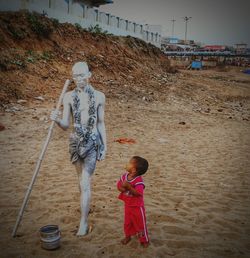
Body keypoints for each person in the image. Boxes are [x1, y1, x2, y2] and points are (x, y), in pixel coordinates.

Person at [50, 61, 107, 236]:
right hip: (75, 142)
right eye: (75, 76)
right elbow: (67, 125)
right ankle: (85, 206)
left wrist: (105, 146)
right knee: (80, 181)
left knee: (85, 182)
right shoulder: (68, 97)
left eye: (82, 75)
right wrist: (57, 119)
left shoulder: (99, 96)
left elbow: (100, 123)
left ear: (89, 75)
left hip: (92, 141)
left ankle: (83, 222)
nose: (79, 79)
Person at [117, 156, 149, 247]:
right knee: (127, 223)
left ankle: (144, 240)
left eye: (129, 163)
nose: (127, 164)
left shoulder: (139, 181)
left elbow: (139, 193)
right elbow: (119, 186)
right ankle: (128, 236)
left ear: (134, 170)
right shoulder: (124, 176)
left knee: (140, 223)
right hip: (128, 205)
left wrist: (129, 187)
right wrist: (122, 188)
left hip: (137, 207)